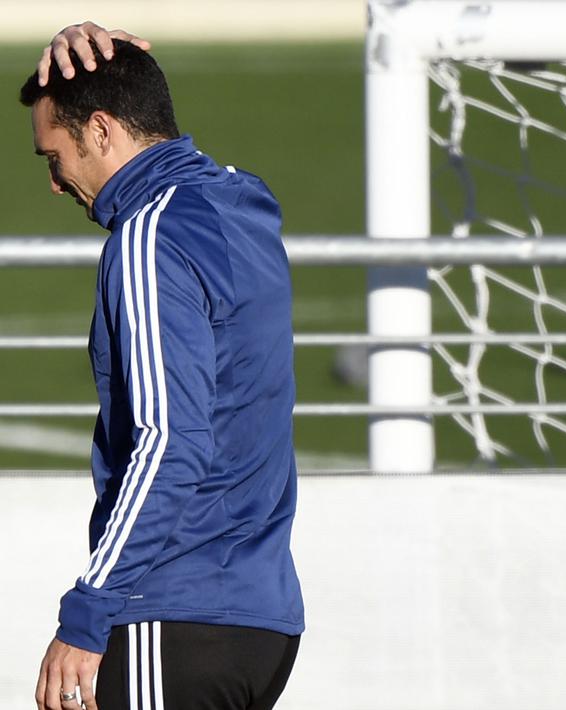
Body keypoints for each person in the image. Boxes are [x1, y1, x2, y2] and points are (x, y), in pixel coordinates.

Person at [24, 25, 304, 710]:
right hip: (261, 623)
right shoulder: (243, 202)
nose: (55, 183)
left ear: (100, 130)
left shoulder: (150, 237)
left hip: (174, 613)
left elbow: (169, 441)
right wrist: (120, 65)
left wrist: (89, 609)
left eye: (54, 157)